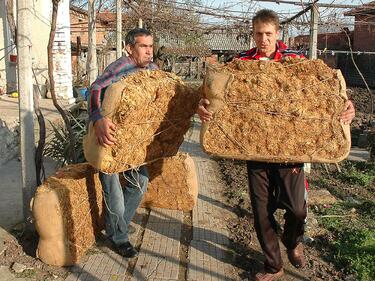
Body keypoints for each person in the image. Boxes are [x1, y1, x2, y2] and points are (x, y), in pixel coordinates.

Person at [197, 9, 355, 281]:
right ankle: (274, 265)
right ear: (253, 33)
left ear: (278, 34)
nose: (263, 39)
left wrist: (345, 105)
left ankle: (293, 240)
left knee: (297, 208)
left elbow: (326, 88)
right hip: (254, 148)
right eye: (258, 33)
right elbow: (214, 92)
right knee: (261, 211)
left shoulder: (296, 61)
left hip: (289, 149)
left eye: (268, 34)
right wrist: (203, 105)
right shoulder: (241, 63)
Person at [87, 28, 158, 258]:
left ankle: (117, 227)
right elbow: (95, 89)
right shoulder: (121, 67)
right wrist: (98, 119)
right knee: (113, 189)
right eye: (143, 46)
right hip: (109, 137)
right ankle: (119, 237)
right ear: (130, 48)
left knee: (141, 182)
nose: (149, 51)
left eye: (151, 46)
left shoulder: (152, 71)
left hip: (133, 142)